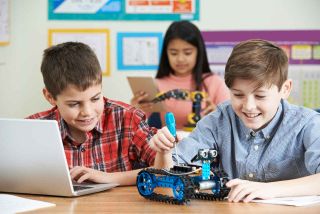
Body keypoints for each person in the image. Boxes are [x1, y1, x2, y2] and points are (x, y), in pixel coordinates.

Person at [149, 39, 320, 202]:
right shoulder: (219, 120)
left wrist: (270, 189)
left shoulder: (307, 124)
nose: (249, 106)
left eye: (260, 96)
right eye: (238, 95)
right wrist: (164, 151)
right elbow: (167, 180)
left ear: (285, 89)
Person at [27, 42, 156, 186]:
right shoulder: (32, 128)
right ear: (50, 97)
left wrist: (109, 178)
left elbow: (164, 169)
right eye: (74, 104)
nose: (87, 112)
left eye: (95, 99)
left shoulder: (128, 119)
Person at [130, 20, 229, 129]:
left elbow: (231, 124)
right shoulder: (155, 85)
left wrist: (218, 115)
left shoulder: (214, 83)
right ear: (166, 53)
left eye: (187, 53)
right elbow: (137, 126)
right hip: (168, 144)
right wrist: (134, 110)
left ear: (199, 52)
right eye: (173, 53)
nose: (180, 59)